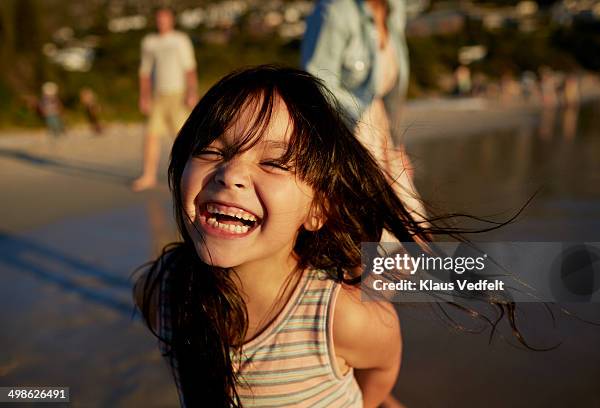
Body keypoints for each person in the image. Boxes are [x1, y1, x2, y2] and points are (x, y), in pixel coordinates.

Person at [133, 66, 526, 408]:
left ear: (318, 209)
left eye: (273, 162)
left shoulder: (341, 318)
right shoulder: (161, 291)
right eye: (212, 150)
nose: (230, 172)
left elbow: (381, 368)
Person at [301, 0, 427, 230]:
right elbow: (316, 82)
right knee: (371, 230)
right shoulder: (333, 11)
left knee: (413, 224)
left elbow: (391, 90)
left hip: (381, 127)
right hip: (347, 128)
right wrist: (361, 128)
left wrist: (397, 145)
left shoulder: (394, 8)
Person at [132, 7, 198, 191]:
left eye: (165, 18)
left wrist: (192, 92)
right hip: (157, 95)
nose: (162, 22)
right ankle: (148, 176)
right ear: (156, 20)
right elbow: (144, 72)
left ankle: (191, 175)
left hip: (178, 94)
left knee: (182, 137)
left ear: (171, 20)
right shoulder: (149, 42)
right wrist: (144, 97)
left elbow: (190, 68)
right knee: (151, 135)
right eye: (159, 18)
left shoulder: (180, 40)